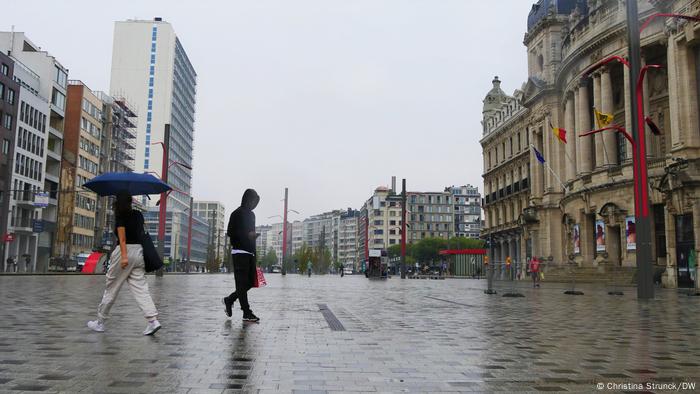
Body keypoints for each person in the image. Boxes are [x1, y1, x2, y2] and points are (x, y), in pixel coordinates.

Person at [87, 192, 161, 335]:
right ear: (131, 201)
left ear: (118, 203)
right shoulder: (139, 215)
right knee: (141, 288)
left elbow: (122, 239)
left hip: (124, 252)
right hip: (139, 252)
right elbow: (140, 233)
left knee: (112, 287)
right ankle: (153, 320)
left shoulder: (120, 217)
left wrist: (124, 257)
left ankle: (100, 322)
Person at [222, 189, 261, 323]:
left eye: (256, 202)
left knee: (250, 282)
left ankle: (230, 299)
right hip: (239, 253)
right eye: (252, 201)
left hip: (250, 253)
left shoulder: (252, 215)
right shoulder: (236, 213)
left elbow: (251, 233)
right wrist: (246, 235)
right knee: (242, 283)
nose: (254, 204)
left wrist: (254, 250)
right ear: (247, 199)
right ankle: (246, 312)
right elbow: (230, 232)